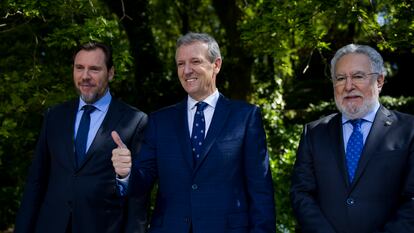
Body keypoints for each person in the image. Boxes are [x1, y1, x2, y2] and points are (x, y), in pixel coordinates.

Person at [111, 32, 276, 233]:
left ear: (216, 65)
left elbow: (261, 191)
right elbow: (141, 184)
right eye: (181, 64)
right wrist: (126, 172)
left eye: (195, 61)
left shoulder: (245, 117)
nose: (187, 70)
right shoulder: (159, 121)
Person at [14, 42, 148, 233]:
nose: (85, 76)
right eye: (79, 68)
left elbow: (137, 196)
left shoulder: (134, 121)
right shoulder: (55, 116)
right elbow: (36, 181)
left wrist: (125, 176)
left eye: (94, 69)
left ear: (110, 73)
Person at [290, 44, 414, 233]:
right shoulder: (314, 133)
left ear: (379, 81)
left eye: (358, 76)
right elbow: (301, 194)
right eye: (340, 78)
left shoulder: (408, 129)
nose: (348, 86)